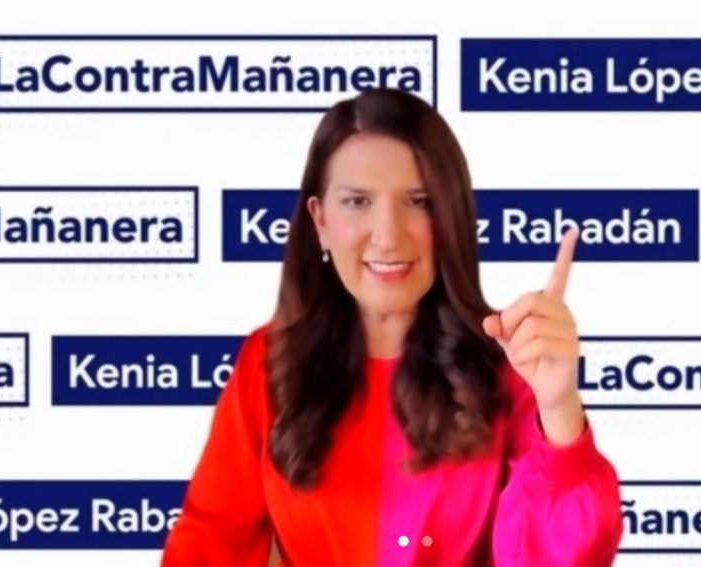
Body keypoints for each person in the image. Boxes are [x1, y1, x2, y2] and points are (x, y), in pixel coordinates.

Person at [161, 88, 622, 566]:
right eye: (357, 201)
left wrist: (558, 408)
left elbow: (561, 556)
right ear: (320, 221)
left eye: (418, 201)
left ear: (450, 218)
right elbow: (208, 545)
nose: (387, 235)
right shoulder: (268, 362)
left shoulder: (510, 365)